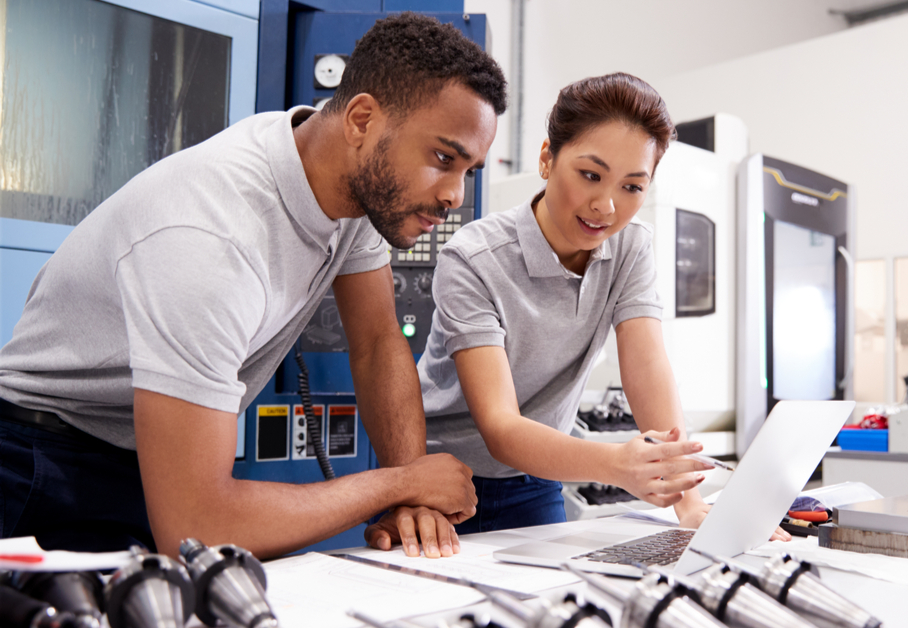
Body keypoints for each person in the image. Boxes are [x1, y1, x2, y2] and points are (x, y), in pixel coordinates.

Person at [0, 13, 505, 559]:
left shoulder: (350, 189)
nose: (455, 194)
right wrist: (400, 485)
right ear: (362, 120)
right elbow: (197, 526)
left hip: (137, 458)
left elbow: (378, 341)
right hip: (40, 467)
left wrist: (413, 498)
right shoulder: (211, 237)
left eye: (469, 170)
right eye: (442, 158)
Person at [401, 72, 790, 541]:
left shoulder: (629, 248)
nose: (606, 206)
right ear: (547, 159)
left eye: (632, 187)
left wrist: (689, 503)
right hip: (445, 482)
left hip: (537, 480)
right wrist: (616, 464)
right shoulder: (474, 257)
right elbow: (500, 426)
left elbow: (646, 367)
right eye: (590, 175)